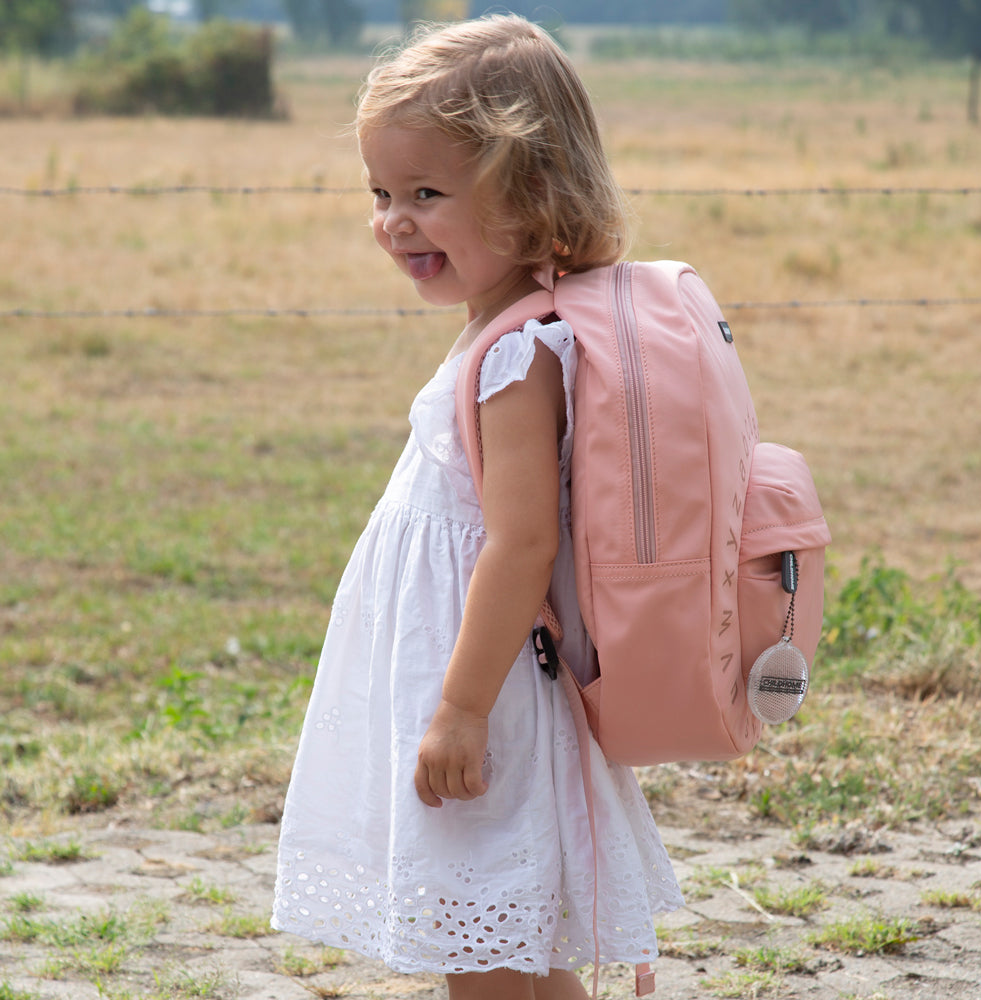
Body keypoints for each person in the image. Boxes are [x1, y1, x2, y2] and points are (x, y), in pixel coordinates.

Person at [272, 15, 683, 1000]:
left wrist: (459, 710)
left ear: (530, 194)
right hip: (485, 681)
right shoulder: (509, 328)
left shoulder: (516, 354)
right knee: (514, 947)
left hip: (485, 692)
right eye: (381, 193)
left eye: (427, 194)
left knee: (481, 947)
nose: (395, 222)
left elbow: (521, 540)